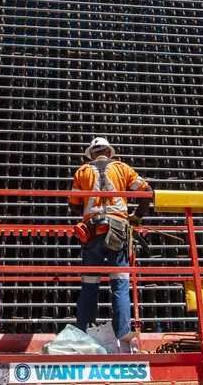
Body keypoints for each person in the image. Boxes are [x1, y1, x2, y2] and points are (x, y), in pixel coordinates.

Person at [68, 137, 152, 338]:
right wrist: (137, 217)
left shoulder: (83, 171)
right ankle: (122, 339)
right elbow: (148, 192)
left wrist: (88, 207)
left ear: (91, 154)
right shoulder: (123, 168)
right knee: (120, 284)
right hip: (118, 231)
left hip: (91, 233)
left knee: (89, 285)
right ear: (110, 152)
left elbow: (73, 204)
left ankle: (83, 337)